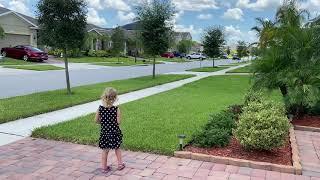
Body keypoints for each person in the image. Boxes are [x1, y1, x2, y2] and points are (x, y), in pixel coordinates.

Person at [95, 88, 125, 173]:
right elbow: (118, 122)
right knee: (117, 148)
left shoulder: (100, 109)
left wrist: (104, 122)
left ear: (104, 97)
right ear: (115, 98)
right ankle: (120, 164)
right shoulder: (116, 109)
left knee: (105, 150)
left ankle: (104, 168)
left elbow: (96, 120)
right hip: (114, 132)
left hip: (105, 133)